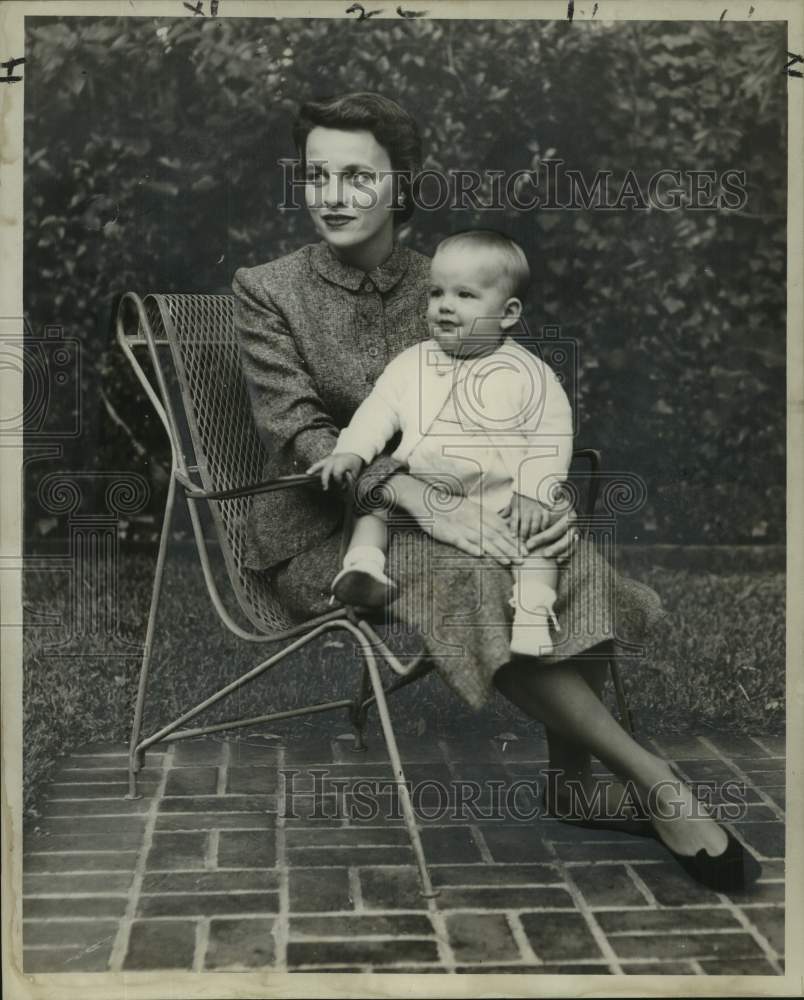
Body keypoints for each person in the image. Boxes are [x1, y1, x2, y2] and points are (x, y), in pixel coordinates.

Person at [232, 91, 760, 890]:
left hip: (470, 501)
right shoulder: (270, 289)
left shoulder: (446, 275)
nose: (331, 196)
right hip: (327, 526)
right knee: (477, 584)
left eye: (356, 177)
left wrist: (549, 504)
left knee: (566, 564)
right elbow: (297, 430)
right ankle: (659, 784)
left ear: (401, 186)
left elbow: (519, 410)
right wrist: (412, 495)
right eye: (315, 176)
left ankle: (572, 784)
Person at [307, 229, 572, 658]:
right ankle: (363, 568)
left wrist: (535, 492)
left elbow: (551, 435)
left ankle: (532, 613)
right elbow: (378, 411)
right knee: (374, 502)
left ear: (508, 313)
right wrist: (351, 451)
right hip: (421, 501)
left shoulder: (531, 375)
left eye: (465, 295)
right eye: (435, 293)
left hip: (499, 502)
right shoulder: (412, 363)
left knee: (539, 540)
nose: (444, 305)